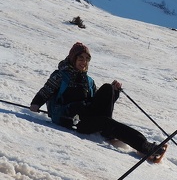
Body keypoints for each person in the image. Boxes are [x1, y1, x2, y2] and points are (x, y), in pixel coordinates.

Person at [30, 42, 167, 162]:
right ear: (73, 58)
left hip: (85, 114)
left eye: (86, 59)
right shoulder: (60, 75)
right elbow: (46, 90)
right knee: (105, 122)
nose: (84, 62)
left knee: (107, 88)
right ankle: (144, 146)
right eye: (80, 58)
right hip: (68, 117)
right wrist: (36, 103)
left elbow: (98, 102)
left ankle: (108, 129)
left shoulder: (88, 80)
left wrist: (114, 91)